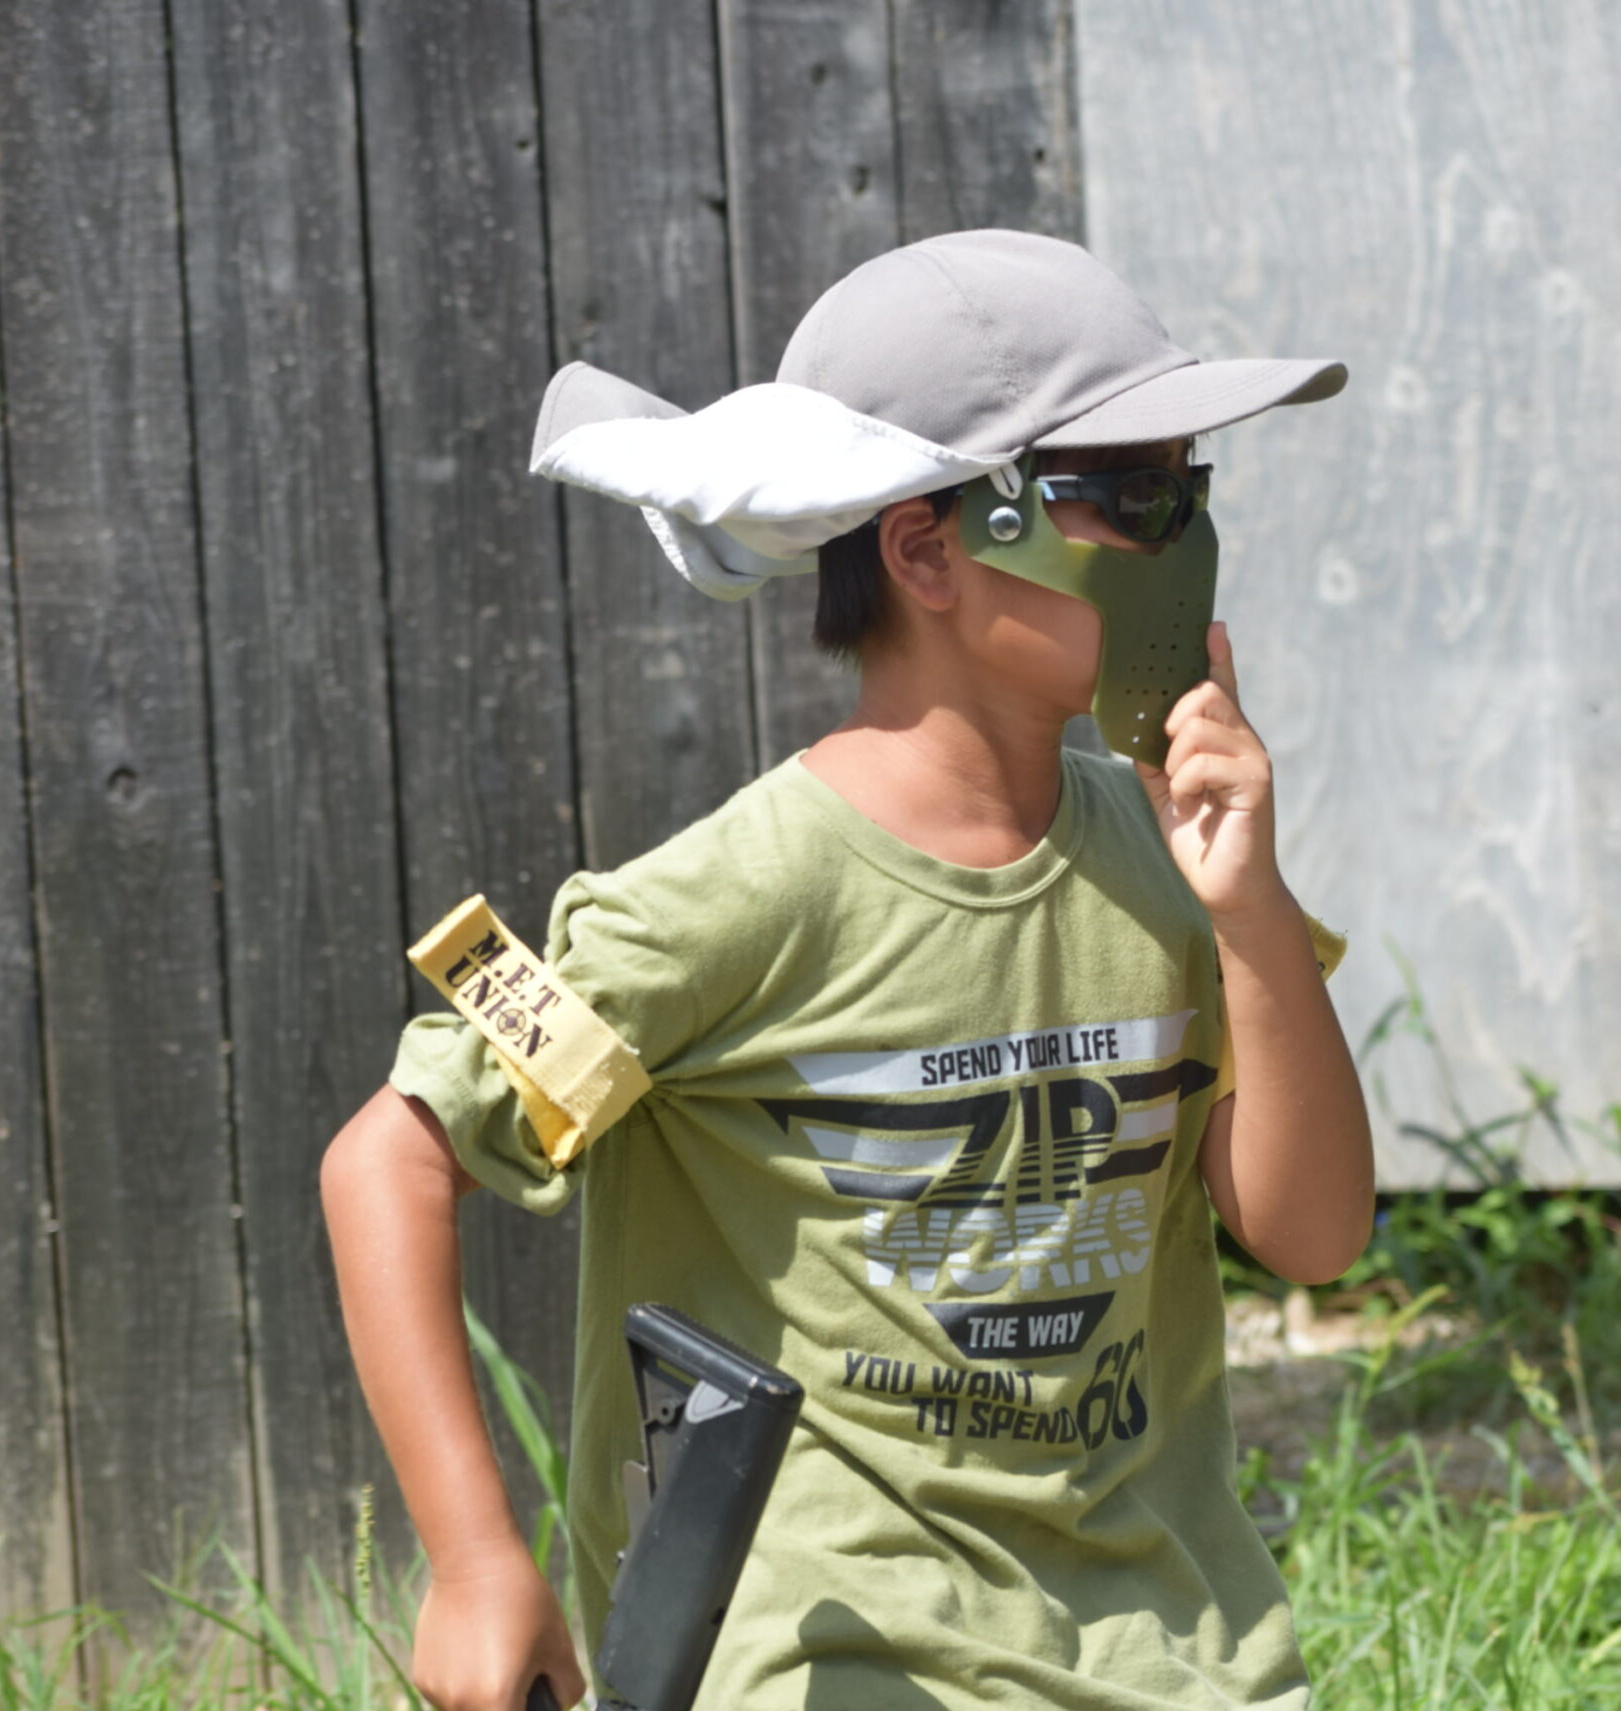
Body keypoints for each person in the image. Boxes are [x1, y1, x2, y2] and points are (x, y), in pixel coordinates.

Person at [322, 229, 1373, 1711]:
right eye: (1128, 496)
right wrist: (480, 1561)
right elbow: (389, 1162)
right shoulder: (741, 898)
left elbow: (1312, 1237)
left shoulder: (1173, 861)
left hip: (1173, 1655)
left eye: (1189, 488)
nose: (1181, 541)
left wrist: (1250, 912)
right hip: (838, 1661)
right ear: (929, 549)